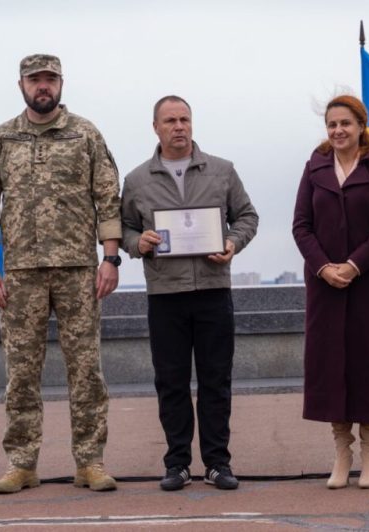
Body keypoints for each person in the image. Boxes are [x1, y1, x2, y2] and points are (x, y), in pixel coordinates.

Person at [0, 54, 121, 494]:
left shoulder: (85, 134)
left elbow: (107, 199)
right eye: (35, 79)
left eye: (50, 79)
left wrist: (110, 259)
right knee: (21, 375)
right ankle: (21, 464)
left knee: (87, 371)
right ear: (21, 85)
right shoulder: (2, 138)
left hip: (78, 271)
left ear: (61, 84)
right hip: (20, 274)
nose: (43, 86)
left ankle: (90, 462)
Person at [120, 95, 258, 492]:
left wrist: (232, 242)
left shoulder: (222, 170)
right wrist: (137, 243)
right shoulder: (137, 180)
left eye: (184, 119)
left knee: (216, 381)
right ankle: (177, 463)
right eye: (170, 121)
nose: (178, 126)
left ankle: (217, 463)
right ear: (156, 128)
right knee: (171, 383)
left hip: (213, 291)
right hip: (165, 295)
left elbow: (247, 216)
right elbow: (124, 227)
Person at [292, 95, 369, 489]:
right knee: (331, 364)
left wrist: (354, 265)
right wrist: (324, 267)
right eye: (332, 124)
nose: (338, 131)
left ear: (361, 126)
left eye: (345, 124)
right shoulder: (314, 169)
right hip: (324, 286)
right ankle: (342, 452)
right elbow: (301, 226)